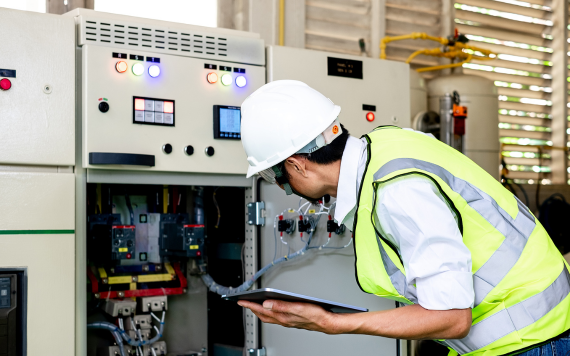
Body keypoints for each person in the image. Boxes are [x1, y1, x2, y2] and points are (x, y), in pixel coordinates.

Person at [237, 80, 570, 356]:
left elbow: (452, 317)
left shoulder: (396, 191)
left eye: (277, 178)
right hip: (532, 330)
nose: (285, 188)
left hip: (530, 339)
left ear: (297, 164)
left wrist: (332, 324)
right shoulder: (387, 145)